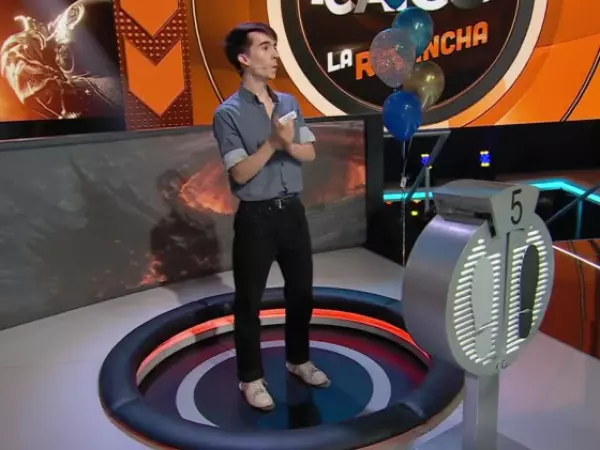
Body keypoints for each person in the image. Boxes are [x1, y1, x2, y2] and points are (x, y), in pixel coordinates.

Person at [212, 22, 330, 411]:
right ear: (244, 58)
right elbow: (240, 172)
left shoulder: (289, 102)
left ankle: (298, 360)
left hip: (292, 212)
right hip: (256, 219)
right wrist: (273, 143)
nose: (275, 54)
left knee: (302, 294)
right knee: (249, 303)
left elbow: (310, 153)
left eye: (275, 46)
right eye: (266, 47)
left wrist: (289, 145)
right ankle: (251, 378)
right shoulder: (227, 114)